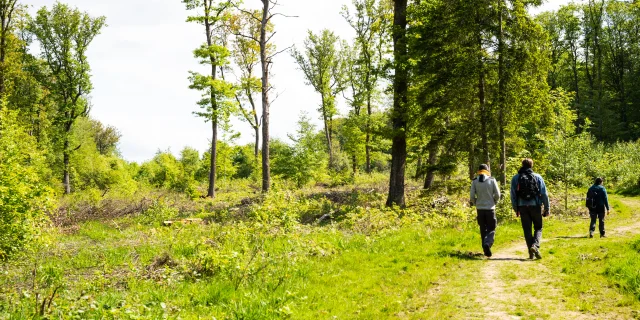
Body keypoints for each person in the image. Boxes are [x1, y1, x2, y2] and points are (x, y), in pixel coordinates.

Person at [510, 158, 550, 260]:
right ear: (531, 165)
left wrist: (516, 208)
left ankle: (531, 253)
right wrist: (547, 207)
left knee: (527, 229)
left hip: (522, 207)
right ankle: (535, 246)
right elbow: (544, 194)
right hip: (535, 206)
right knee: (538, 227)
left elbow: (513, 195)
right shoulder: (537, 177)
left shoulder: (516, 178)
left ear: (522, 165)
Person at [470, 164, 501, 258]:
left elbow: (472, 196)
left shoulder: (475, 181)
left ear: (478, 171)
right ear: (487, 170)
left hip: (480, 209)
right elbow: (498, 194)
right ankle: (487, 243)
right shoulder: (492, 180)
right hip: (490, 208)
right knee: (491, 228)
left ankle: (485, 249)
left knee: (483, 228)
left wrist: (476, 203)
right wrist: (494, 202)